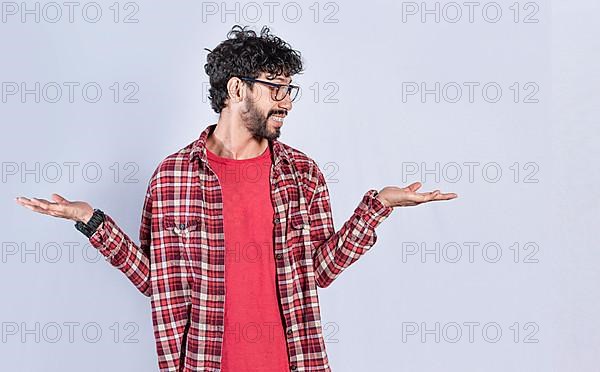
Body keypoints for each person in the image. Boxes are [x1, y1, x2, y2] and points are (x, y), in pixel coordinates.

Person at [15, 24, 458, 372]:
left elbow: (320, 271)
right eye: (274, 88)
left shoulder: (301, 174)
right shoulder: (172, 177)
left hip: (295, 362)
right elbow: (156, 281)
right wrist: (94, 222)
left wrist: (376, 208)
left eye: (289, 90)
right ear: (235, 89)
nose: (285, 102)